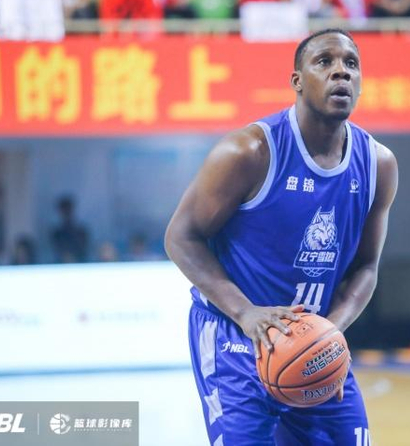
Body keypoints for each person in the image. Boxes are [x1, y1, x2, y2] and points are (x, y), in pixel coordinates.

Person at [165, 28, 398, 445]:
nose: (341, 72)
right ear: (297, 81)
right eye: (324, 62)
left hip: (312, 343)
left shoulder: (378, 164)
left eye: (351, 64)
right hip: (235, 335)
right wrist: (246, 313)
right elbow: (182, 238)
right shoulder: (248, 152)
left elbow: (366, 268)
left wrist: (330, 333)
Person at [51, 195, 90, 263]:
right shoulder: (56, 235)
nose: (67, 213)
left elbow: (83, 250)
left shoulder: (82, 232)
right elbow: (57, 251)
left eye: (68, 210)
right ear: (60, 212)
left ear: (72, 210)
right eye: (64, 210)